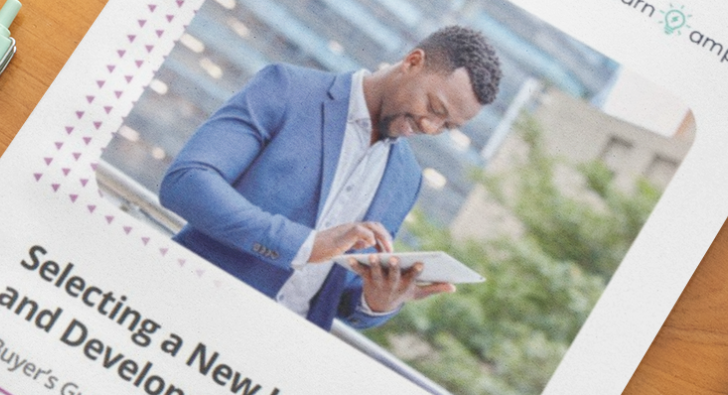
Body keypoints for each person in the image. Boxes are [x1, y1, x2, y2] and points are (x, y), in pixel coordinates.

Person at [158, 26, 503, 331]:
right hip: (185, 307)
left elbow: (343, 297)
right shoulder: (287, 89)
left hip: (272, 359)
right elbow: (187, 182)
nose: (430, 127)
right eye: (434, 108)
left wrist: (379, 301)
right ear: (413, 61)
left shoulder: (406, 179)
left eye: (447, 126)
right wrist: (305, 245)